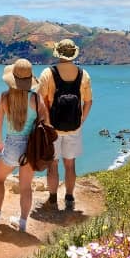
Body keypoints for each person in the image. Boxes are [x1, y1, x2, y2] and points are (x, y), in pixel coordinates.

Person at [0, 58, 49, 233]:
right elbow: (45, 123)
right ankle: (23, 223)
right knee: (26, 187)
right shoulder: (35, 98)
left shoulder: (4, 97)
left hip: (12, 145)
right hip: (30, 148)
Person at [37, 39, 93, 211]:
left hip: (52, 127)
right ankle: (69, 198)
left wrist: (45, 122)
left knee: (53, 165)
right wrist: (81, 120)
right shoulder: (83, 74)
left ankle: (53, 199)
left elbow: (40, 100)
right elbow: (88, 102)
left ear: (58, 53)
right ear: (73, 54)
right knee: (70, 164)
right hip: (73, 127)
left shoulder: (48, 73)